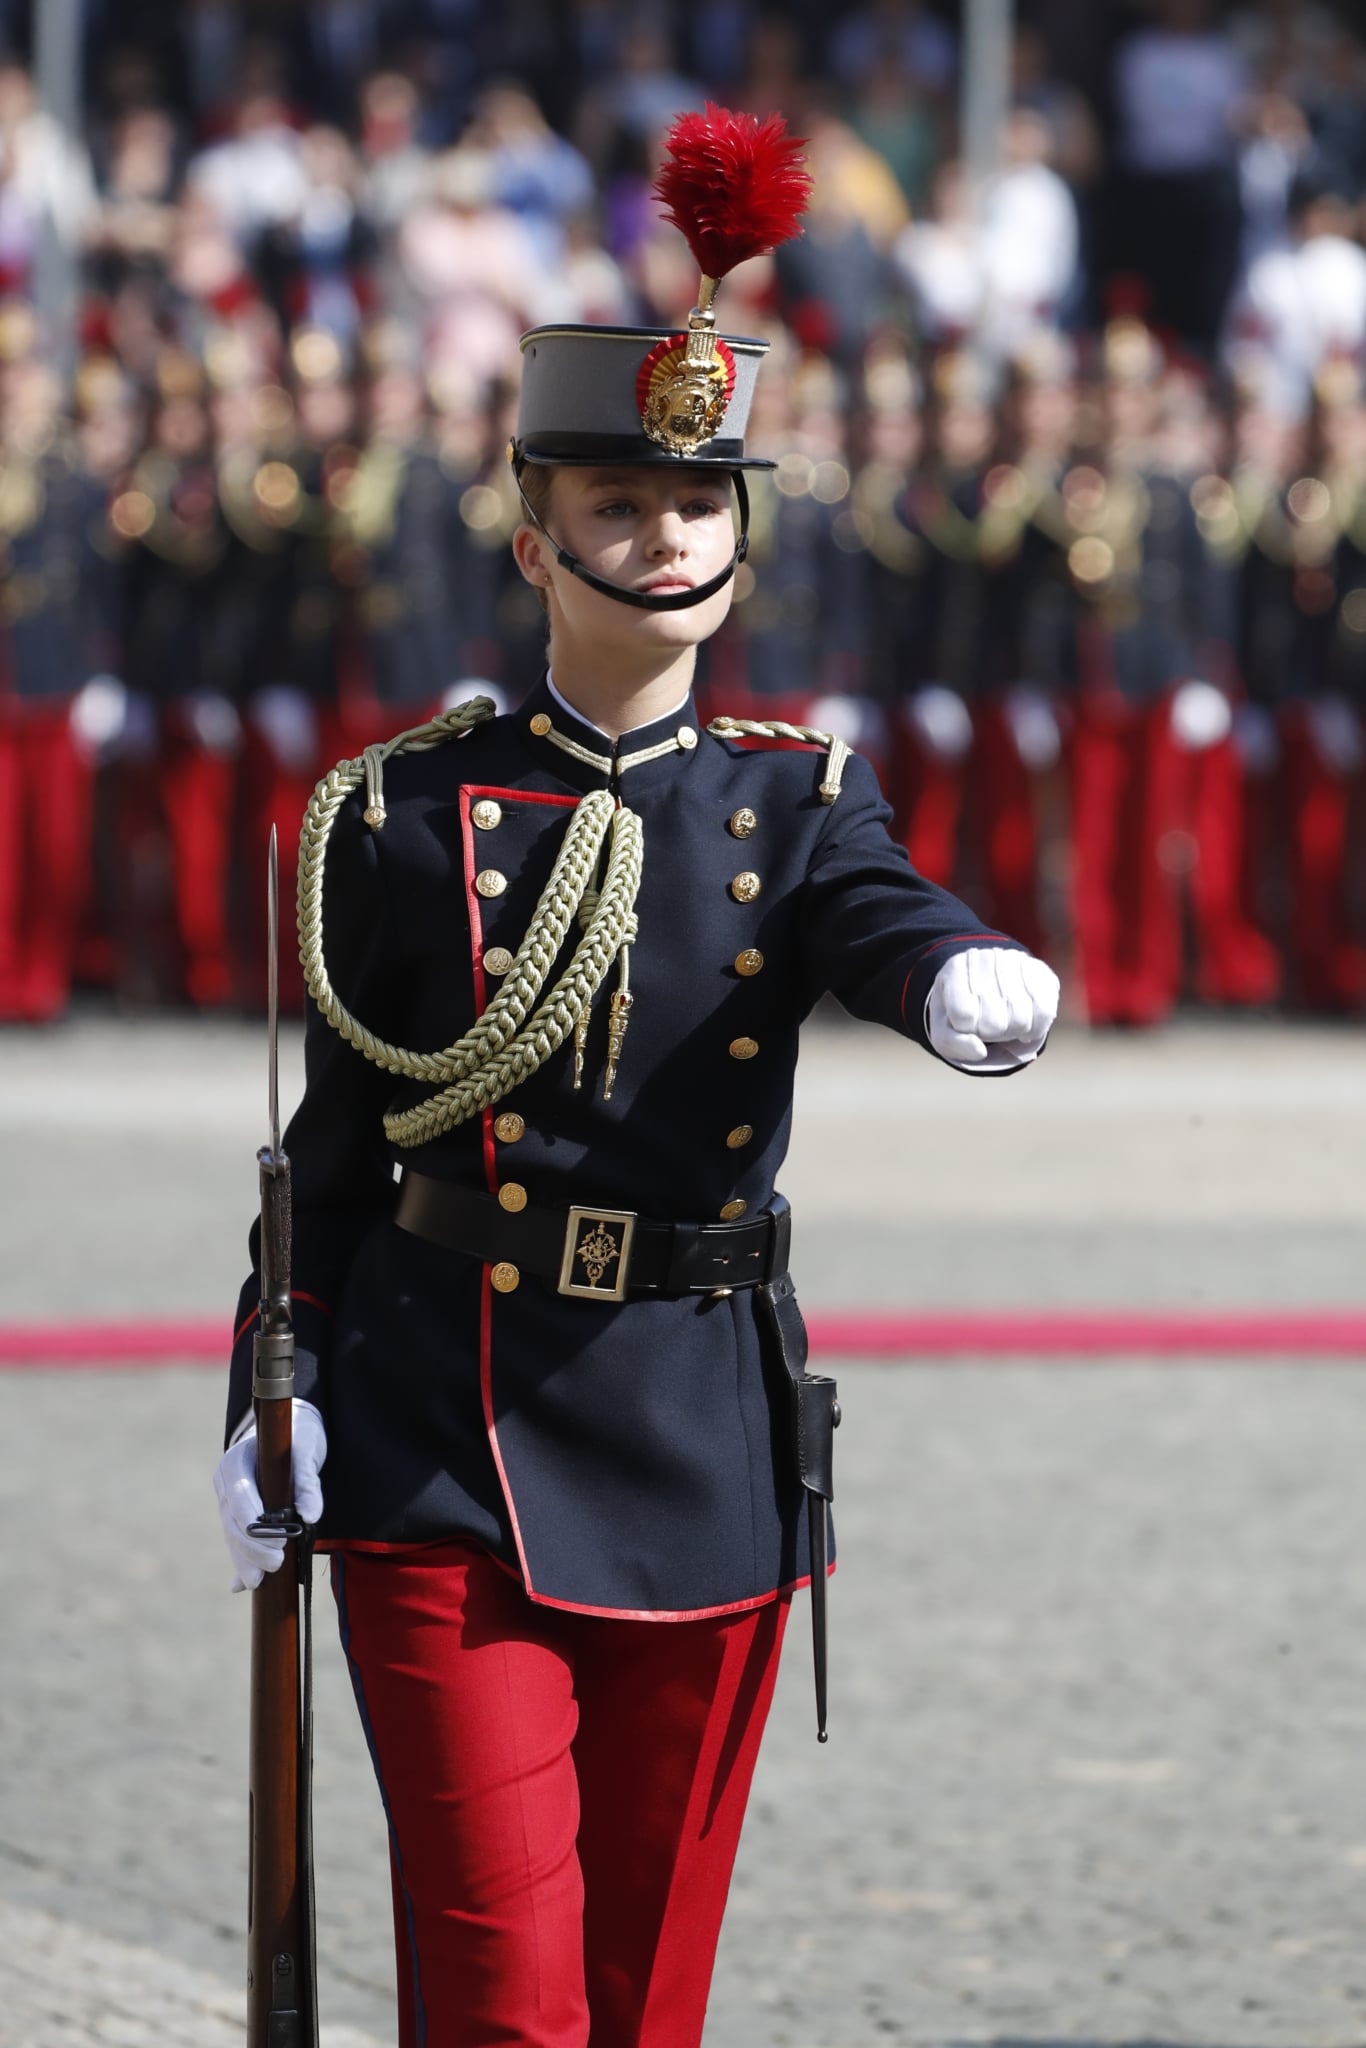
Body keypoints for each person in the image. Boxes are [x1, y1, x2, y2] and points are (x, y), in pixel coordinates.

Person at [213, 107, 1060, 2048]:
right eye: (614, 504)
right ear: (534, 536)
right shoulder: (403, 813)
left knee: (640, 1997)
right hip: (443, 1436)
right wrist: (274, 1374)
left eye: (694, 505)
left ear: (737, 533)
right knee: (505, 2001)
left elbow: (882, 914)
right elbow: (330, 1146)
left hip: (701, 1440)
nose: (660, 535)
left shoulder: (794, 795)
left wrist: (953, 982)